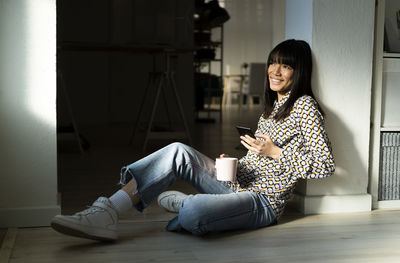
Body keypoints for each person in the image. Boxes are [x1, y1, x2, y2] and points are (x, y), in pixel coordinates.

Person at [51, 39, 335, 241]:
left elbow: (325, 165)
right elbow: (258, 159)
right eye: (273, 63)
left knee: (195, 213)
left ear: (299, 72)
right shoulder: (272, 108)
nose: (275, 70)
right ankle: (107, 212)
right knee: (177, 151)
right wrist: (235, 166)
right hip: (236, 184)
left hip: (262, 203)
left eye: (285, 67)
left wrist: (275, 153)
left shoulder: (305, 105)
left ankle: (185, 204)